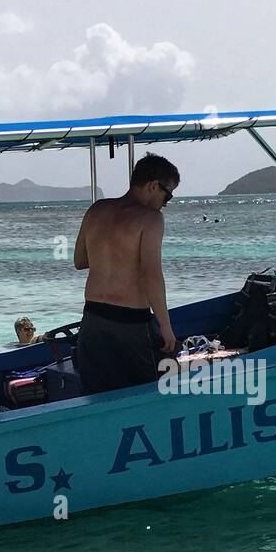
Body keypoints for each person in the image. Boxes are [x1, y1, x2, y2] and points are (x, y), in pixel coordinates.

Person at [71, 153, 179, 394]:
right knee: (146, 395)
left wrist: (109, 257)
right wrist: (165, 326)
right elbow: (152, 275)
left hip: (93, 320)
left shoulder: (96, 210)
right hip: (131, 325)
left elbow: (79, 261)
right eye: (167, 195)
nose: (165, 203)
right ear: (153, 186)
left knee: (97, 397)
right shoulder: (151, 219)